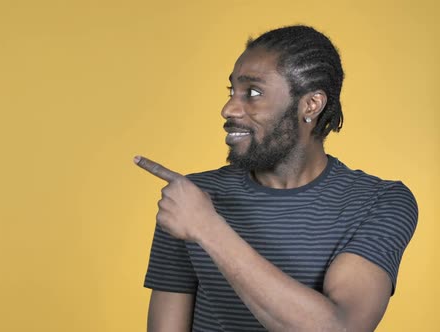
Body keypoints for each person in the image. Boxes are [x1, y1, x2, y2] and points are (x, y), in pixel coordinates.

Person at [134, 25, 418, 332]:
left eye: (253, 93)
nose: (228, 108)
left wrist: (207, 228)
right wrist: (196, 217)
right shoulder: (189, 197)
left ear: (311, 105)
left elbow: (340, 327)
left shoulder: (380, 202)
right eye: (232, 92)